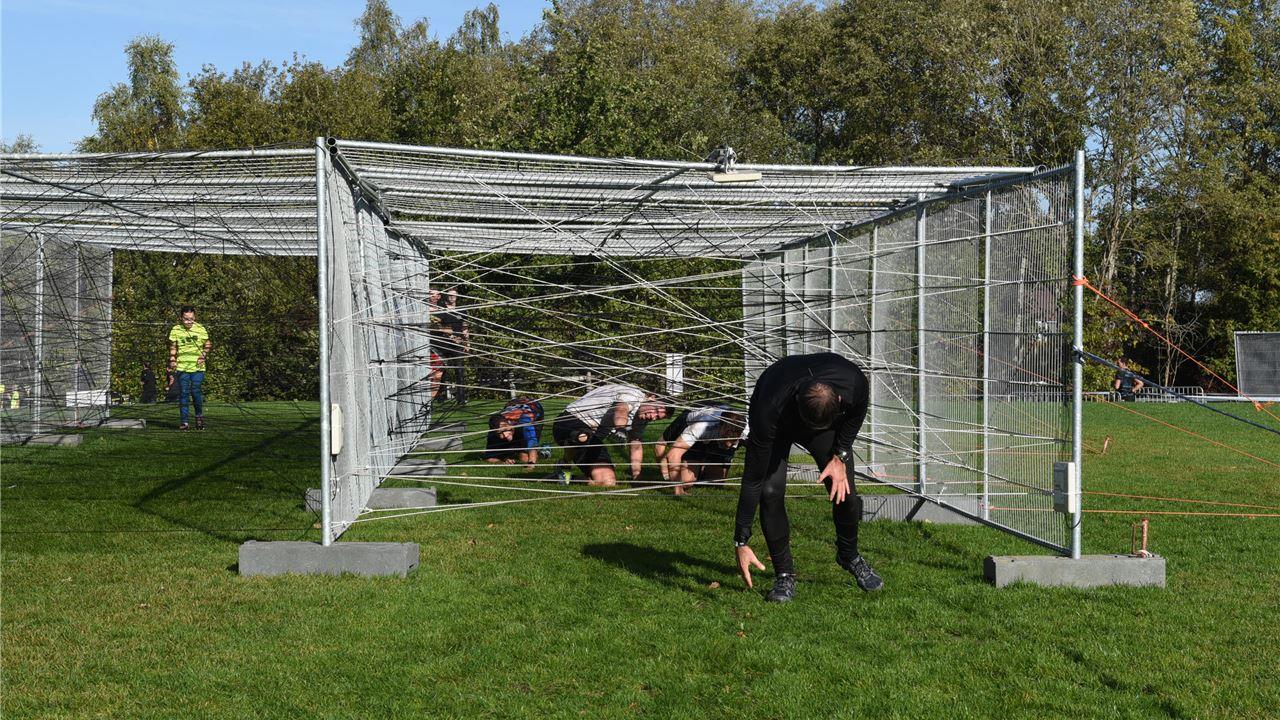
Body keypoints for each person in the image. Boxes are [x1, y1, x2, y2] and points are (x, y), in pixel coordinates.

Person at [733, 352, 881, 603]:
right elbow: (753, 479)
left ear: (839, 400)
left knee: (844, 490)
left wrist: (840, 455)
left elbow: (857, 414)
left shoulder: (853, 382)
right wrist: (741, 540)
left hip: (818, 414)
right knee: (770, 492)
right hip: (779, 420)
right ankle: (784, 574)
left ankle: (849, 555)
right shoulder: (767, 410)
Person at [552, 384, 670, 486]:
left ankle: (562, 477)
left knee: (608, 482)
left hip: (592, 438)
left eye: (657, 418)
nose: (653, 417)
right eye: (655, 410)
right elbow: (621, 409)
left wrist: (636, 475)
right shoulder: (632, 394)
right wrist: (621, 429)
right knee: (583, 436)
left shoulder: (642, 418)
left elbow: (635, 444)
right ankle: (566, 461)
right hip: (569, 422)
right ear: (652, 397)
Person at [655, 404, 746, 496]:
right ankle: (691, 464)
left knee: (716, 482)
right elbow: (673, 454)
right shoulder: (701, 426)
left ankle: (700, 465)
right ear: (720, 427)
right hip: (697, 433)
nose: (729, 445)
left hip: (714, 435)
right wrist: (678, 489)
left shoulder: (747, 431)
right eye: (725, 440)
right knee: (686, 481)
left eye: (733, 442)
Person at [168, 306, 211, 430]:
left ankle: (199, 416)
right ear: (181, 318)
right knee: (184, 393)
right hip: (182, 367)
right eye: (186, 319)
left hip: (198, 367)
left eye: (191, 319)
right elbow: (173, 346)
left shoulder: (200, 329)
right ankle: (184, 422)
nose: (189, 321)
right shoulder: (176, 329)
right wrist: (172, 359)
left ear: (194, 317)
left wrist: (203, 355)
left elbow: (207, 344)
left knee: (195, 391)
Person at [430, 289, 469, 405]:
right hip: (443, 343)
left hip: (457, 343)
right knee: (442, 370)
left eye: (454, 296)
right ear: (446, 296)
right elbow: (440, 327)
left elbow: (465, 327)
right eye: (450, 295)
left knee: (459, 370)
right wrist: (451, 336)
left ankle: (461, 398)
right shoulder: (441, 309)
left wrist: (467, 342)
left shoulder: (462, 310)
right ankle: (440, 396)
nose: (452, 297)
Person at [484, 396, 545, 467]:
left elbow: (532, 442)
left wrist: (531, 465)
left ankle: (544, 450)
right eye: (500, 433)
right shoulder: (494, 428)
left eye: (506, 430)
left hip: (535, 410)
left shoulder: (524, 420)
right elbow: (489, 457)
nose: (505, 435)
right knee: (516, 450)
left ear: (509, 423)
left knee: (524, 458)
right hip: (514, 406)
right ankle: (516, 450)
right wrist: (503, 461)